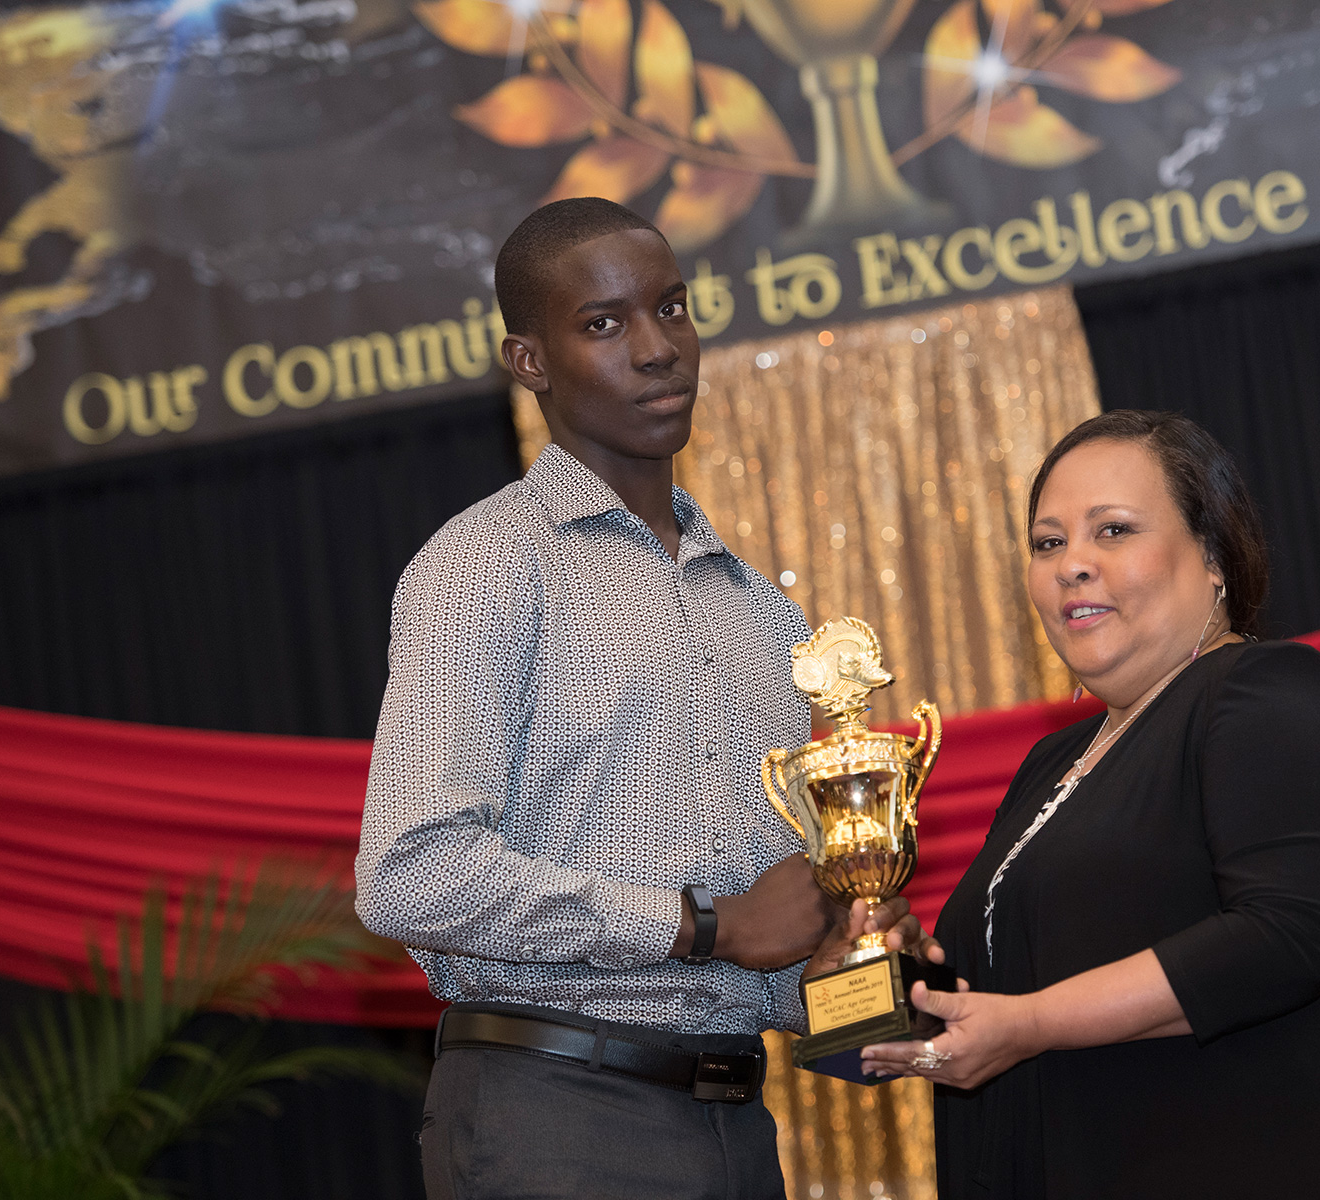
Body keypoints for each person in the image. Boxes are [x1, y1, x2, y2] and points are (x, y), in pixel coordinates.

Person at [354, 198, 927, 1200]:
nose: (659, 348)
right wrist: (704, 925)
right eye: (604, 323)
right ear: (529, 361)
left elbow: (759, 944)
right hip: (553, 1115)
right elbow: (411, 875)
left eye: (672, 307)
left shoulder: (764, 616)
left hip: (735, 1124)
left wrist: (849, 972)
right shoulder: (484, 565)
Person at [860, 409, 1320, 1198]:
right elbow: (1000, 999)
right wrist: (882, 977)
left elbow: (1286, 933)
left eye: (1113, 531)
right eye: (1048, 543)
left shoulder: (1264, 692)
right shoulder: (1051, 762)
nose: (1073, 564)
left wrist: (1030, 1024)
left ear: (1214, 555)